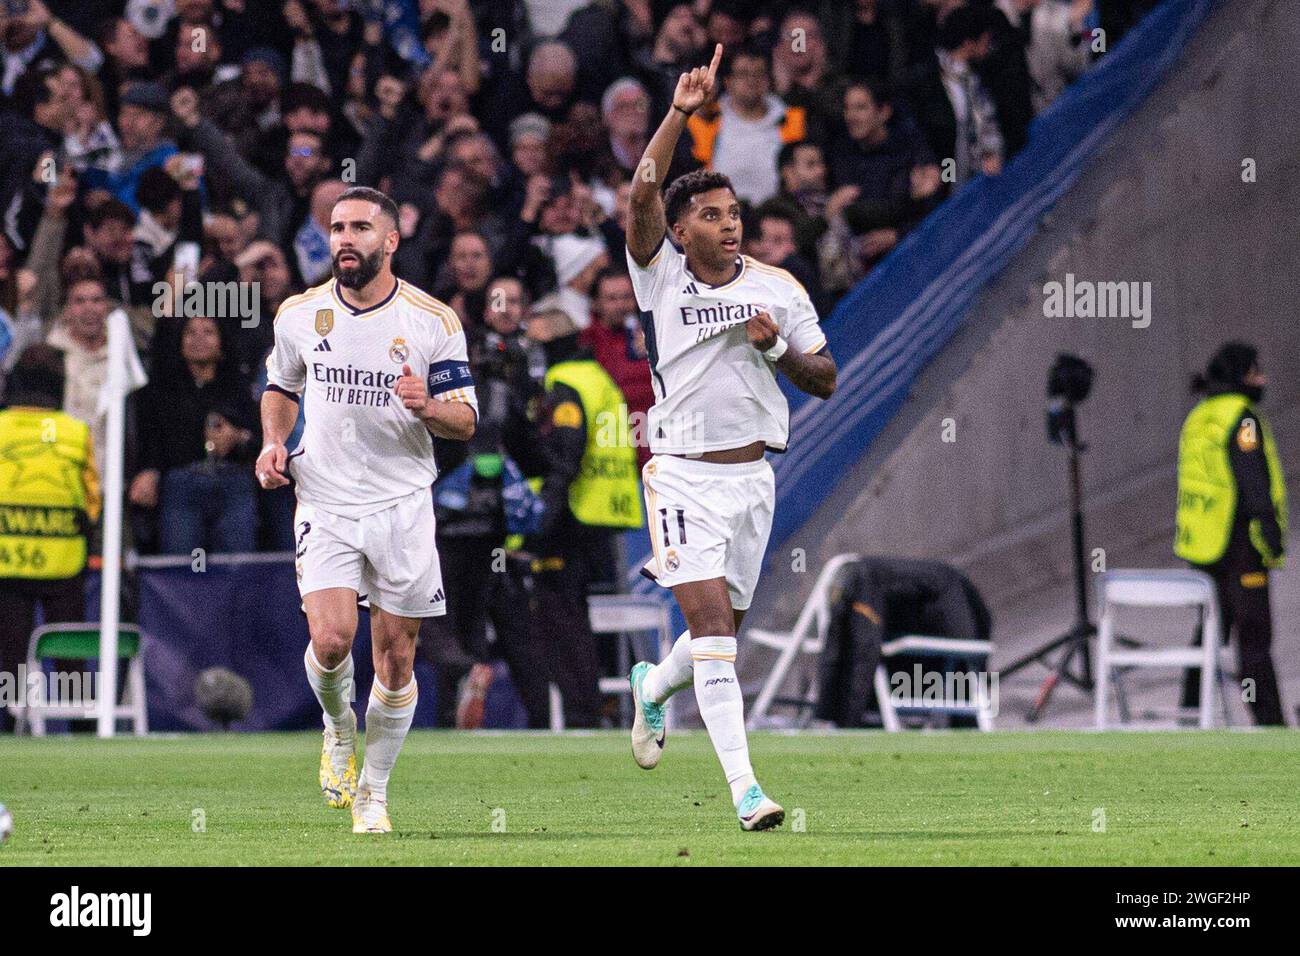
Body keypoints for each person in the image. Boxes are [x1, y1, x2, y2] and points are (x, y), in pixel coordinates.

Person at [623, 46, 836, 831]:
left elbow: (825, 377)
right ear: (679, 233)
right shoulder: (660, 277)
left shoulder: (777, 287)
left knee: (714, 639)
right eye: (709, 216)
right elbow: (640, 196)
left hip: (752, 482)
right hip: (679, 475)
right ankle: (747, 790)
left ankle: (651, 689)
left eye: (733, 213)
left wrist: (777, 346)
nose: (727, 224)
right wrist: (681, 112)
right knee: (715, 632)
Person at [255, 186, 477, 833]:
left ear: (391, 239)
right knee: (329, 641)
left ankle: (373, 793)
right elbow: (280, 387)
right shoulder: (300, 314)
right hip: (324, 496)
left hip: (403, 503)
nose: (344, 239)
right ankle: (336, 725)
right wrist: (274, 442)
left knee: (398, 661)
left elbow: (466, 420)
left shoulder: (433, 321)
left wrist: (428, 407)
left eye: (359, 228)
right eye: (337, 228)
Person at [525, 307, 643, 728]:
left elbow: (565, 457)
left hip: (572, 516)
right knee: (579, 614)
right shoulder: (598, 378)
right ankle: (594, 708)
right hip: (604, 513)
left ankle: (582, 712)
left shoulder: (565, 384)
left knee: (561, 615)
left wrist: (539, 524)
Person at [1175, 342, 1288, 726]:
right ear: (1241, 377)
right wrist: (1270, 532)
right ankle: (1271, 724)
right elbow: (1253, 480)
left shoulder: (1200, 416)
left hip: (1204, 545)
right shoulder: (1241, 420)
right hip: (1241, 545)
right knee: (1254, 640)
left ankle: (1189, 715)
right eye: (1256, 373)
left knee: (1208, 635)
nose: (1263, 380)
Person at [0, 345, 100, 733]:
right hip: (64, 563)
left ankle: (4, 726)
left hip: (7, 561)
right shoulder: (76, 432)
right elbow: (92, 501)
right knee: (69, 651)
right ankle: (83, 724)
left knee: (8, 655)